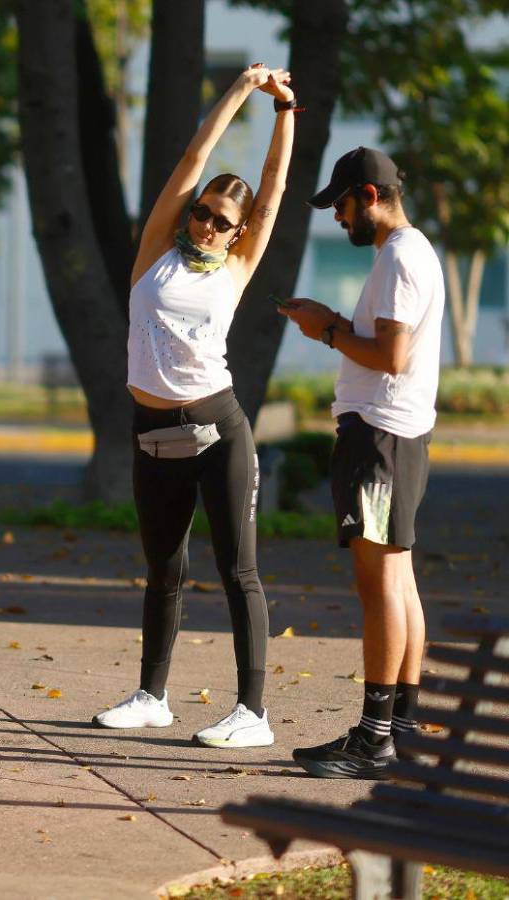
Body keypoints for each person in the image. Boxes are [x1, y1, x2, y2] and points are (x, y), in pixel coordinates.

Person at [91, 64, 297, 749]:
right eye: (203, 212)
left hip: (216, 428)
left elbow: (271, 197)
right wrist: (241, 89)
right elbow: (192, 157)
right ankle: (152, 695)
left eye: (221, 221)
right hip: (150, 429)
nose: (207, 224)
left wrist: (284, 113)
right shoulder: (155, 254)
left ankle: (253, 712)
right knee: (164, 568)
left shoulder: (236, 267)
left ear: (238, 234)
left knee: (237, 570)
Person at [279, 148, 443, 779]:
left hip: (377, 438)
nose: (338, 218)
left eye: (342, 205)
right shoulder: (412, 251)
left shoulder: (400, 257)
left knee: (378, 588)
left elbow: (391, 357)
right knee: (399, 582)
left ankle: (374, 740)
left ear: (370, 195)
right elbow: (384, 344)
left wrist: (325, 330)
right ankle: (399, 727)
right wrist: (337, 322)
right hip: (399, 437)